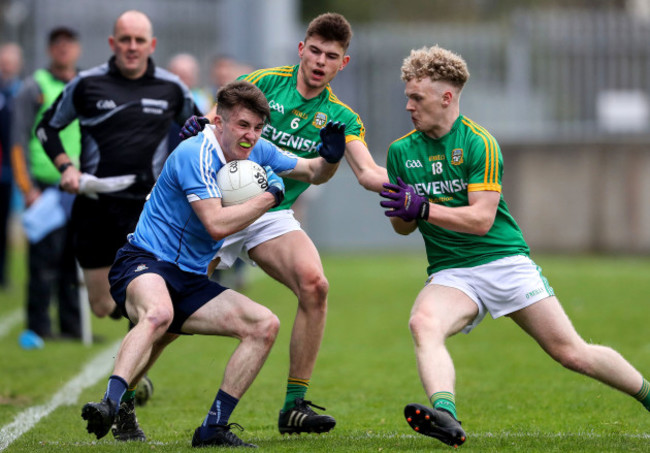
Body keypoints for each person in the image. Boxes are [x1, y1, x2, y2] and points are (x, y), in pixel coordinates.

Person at [379, 45, 650, 448]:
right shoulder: (401, 152)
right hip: (452, 273)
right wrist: (404, 211)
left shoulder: (479, 143)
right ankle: (446, 417)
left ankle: (647, 394)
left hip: (504, 261)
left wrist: (424, 207)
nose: (408, 106)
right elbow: (403, 228)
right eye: (407, 96)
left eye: (416, 97)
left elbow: (480, 219)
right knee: (423, 323)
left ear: (446, 97)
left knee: (571, 353)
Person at [81, 80, 347, 447]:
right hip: (146, 261)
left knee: (264, 325)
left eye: (257, 128)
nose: (250, 136)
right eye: (242, 125)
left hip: (190, 278)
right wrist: (270, 194)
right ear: (218, 123)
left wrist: (330, 156)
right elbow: (216, 223)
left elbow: (311, 170)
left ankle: (213, 428)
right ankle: (111, 404)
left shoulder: (258, 150)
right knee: (159, 315)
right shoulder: (196, 153)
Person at [180, 12, 388, 435]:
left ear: (342, 64)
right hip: (220, 202)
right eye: (314, 51)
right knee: (175, 302)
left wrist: (415, 184)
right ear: (301, 49)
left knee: (316, 285)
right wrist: (199, 125)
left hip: (269, 211)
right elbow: (213, 119)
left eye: (331, 56)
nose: (319, 62)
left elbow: (364, 173)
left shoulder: (340, 117)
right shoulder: (265, 83)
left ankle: (294, 407)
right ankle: (124, 395)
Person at [36, 9, 202, 436]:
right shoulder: (86, 84)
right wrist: (65, 166)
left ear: (152, 45)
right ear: (112, 44)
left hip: (149, 212)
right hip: (93, 207)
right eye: (124, 39)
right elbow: (46, 129)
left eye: (139, 40)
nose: (131, 47)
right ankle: (133, 362)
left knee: (148, 308)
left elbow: (201, 131)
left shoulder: (171, 88)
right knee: (104, 306)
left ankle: (125, 395)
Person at [11, 27, 82, 342]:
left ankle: (72, 327)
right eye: (58, 45)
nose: (64, 50)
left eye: (69, 45)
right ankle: (38, 326)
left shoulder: (84, 86)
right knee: (42, 263)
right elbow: (17, 141)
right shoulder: (34, 87)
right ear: (50, 49)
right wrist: (28, 189)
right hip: (45, 189)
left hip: (78, 189)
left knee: (73, 263)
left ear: (77, 49)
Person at [0, 42, 23, 289]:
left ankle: (3, 275)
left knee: (5, 227)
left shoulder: (20, 92)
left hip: (7, 172)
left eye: (10, 61)